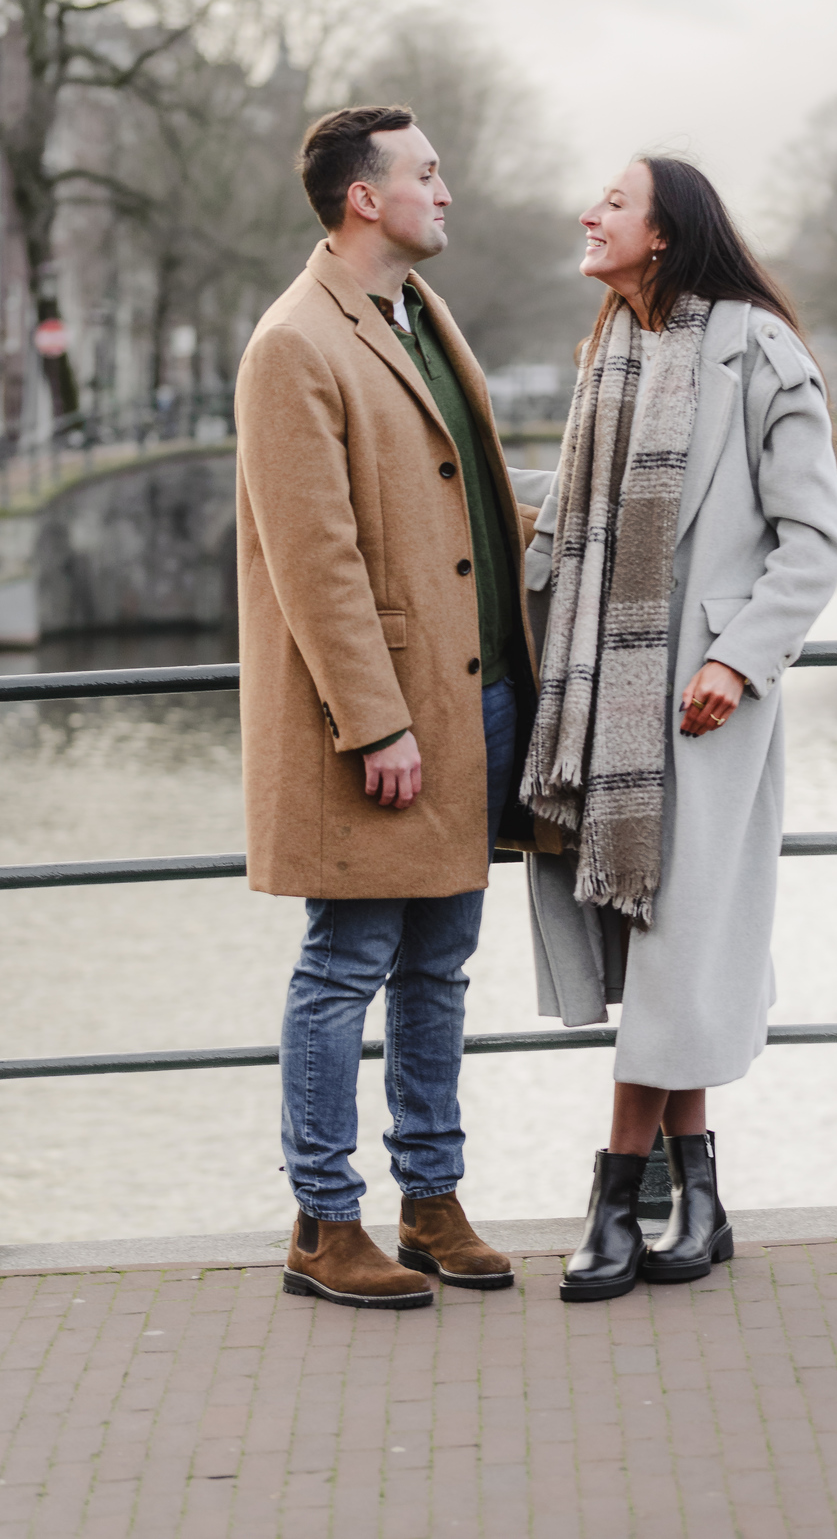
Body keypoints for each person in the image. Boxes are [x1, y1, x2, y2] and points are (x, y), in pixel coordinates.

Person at [235, 104, 551, 1311]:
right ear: (364, 197)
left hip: (477, 700)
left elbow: (467, 503)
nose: (447, 190)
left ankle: (431, 1199)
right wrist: (376, 723)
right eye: (426, 173)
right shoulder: (294, 343)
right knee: (345, 963)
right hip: (388, 720)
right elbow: (312, 560)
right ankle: (324, 1219)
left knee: (441, 966)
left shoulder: (417, 316)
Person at [521, 156, 837, 1302]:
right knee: (668, 951)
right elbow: (576, 528)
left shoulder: (759, 350)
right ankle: (698, 1197)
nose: (589, 213)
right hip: (608, 702)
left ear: (662, 232)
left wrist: (735, 657)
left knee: (675, 950)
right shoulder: (609, 352)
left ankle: (617, 1194)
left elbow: (814, 541)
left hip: (701, 707)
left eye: (612, 201)